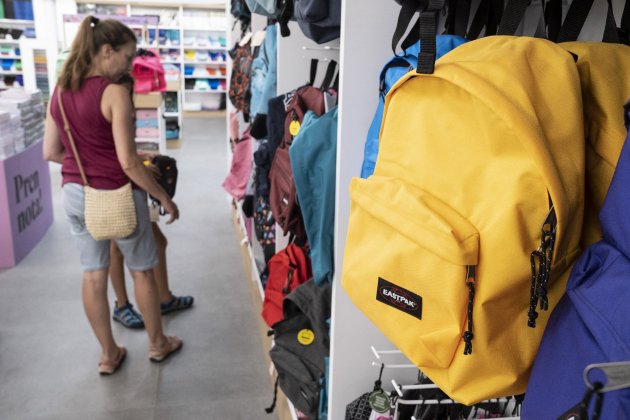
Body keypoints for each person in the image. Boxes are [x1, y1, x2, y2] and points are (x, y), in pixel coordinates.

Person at [43, 16, 182, 375]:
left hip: (75, 193)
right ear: (107, 51)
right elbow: (129, 162)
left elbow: (51, 152)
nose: (129, 64)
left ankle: (109, 354)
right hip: (117, 195)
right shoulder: (114, 92)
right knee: (143, 272)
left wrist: (83, 165)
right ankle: (157, 344)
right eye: (127, 55)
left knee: (93, 274)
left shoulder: (59, 90)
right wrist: (164, 198)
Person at [109, 74, 193, 330]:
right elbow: (110, 155)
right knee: (117, 249)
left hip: (128, 185)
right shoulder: (105, 101)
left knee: (155, 242)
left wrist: (140, 156)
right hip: (113, 187)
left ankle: (162, 298)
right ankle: (123, 306)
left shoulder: (115, 103)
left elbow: (120, 148)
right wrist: (142, 167)